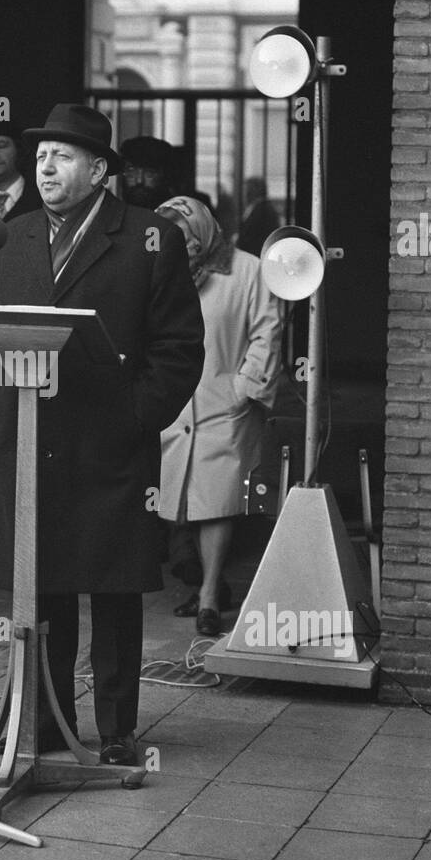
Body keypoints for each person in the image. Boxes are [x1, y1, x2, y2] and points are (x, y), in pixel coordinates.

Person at [0, 104, 204, 765]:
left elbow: (180, 348)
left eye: (63, 155)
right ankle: (48, 724)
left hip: (110, 444)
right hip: (29, 442)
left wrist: (133, 418)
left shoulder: (147, 236)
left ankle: (117, 731)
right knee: (41, 587)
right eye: (41, 155)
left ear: (100, 170)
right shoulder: (12, 238)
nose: (45, 165)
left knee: (113, 589)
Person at [157, 195, 282, 635]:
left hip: (224, 400)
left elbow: (267, 328)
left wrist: (246, 386)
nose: (185, 247)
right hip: (172, 402)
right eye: (176, 240)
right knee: (183, 502)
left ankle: (210, 593)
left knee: (217, 502)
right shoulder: (160, 270)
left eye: (190, 237)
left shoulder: (247, 269)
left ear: (206, 231)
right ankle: (208, 584)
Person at [119, 136, 180, 212]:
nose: (139, 180)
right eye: (131, 170)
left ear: (164, 174)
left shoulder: (176, 216)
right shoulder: (115, 214)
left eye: (149, 172)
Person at [237, 175, 281, 257]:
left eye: (247, 190)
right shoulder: (259, 207)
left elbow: (252, 235)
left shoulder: (262, 210)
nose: (244, 194)